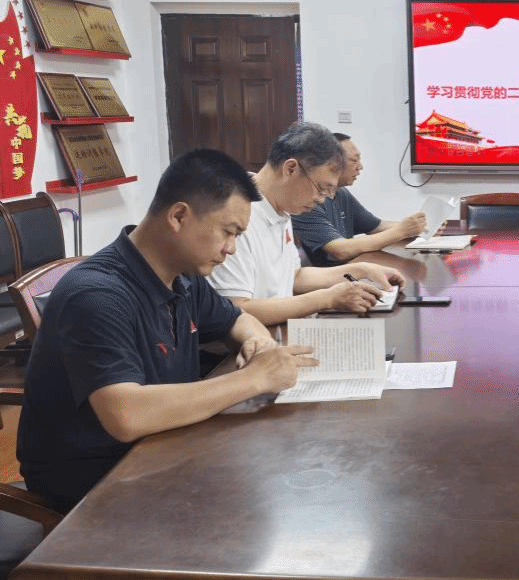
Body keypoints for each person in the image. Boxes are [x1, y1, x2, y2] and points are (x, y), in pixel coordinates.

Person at [17, 149, 316, 513]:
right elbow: (126, 416)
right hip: (95, 477)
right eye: (228, 232)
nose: (232, 249)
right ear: (178, 216)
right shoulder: (96, 295)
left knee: (289, 475)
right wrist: (255, 378)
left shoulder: (184, 275)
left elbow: (238, 319)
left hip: (162, 446)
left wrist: (259, 343)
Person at [208, 122, 404, 326]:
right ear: (290, 169)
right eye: (321, 188)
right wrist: (326, 299)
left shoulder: (281, 208)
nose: (321, 199)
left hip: (279, 332)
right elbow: (236, 309)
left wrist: (362, 270)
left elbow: (295, 277)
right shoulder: (236, 215)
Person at [291, 132, 428, 266]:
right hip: (330, 277)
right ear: (332, 164)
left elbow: (376, 226)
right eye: (354, 160)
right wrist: (401, 231)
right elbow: (341, 251)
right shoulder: (307, 202)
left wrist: (419, 227)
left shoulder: (341, 193)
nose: (360, 167)